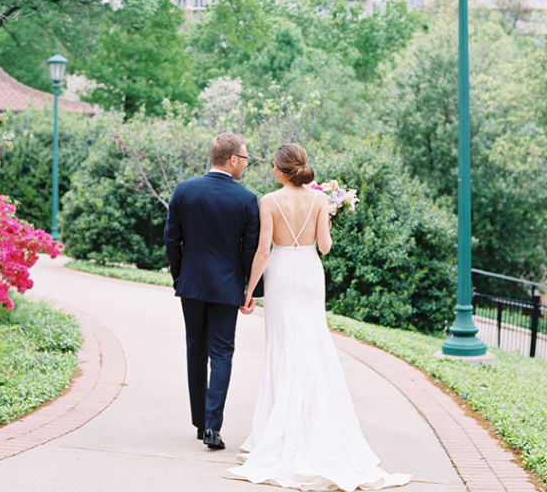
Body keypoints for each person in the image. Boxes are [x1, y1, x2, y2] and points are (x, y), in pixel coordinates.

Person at [224, 143, 411, 491]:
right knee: (311, 342)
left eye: (274, 166)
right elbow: (325, 247)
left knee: (282, 348)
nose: (272, 170)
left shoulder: (268, 201)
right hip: (310, 273)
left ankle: (273, 430)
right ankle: (314, 423)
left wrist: (250, 291)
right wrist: (326, 216)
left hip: (281, 274)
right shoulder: (319, 200)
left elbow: (263, 251)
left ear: (281, 170)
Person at [164, 132, 264, 451]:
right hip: (227, 287)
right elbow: (250, 250)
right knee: (221, 352)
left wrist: (180, 277)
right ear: (232, 159)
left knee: (195, 349)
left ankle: (199, 421)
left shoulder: (184, 190)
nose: (245, 164)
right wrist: (252, 290)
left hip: (191, 284)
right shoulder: (246, 199)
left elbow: (171, 240)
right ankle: (212, 426)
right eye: (245, 159)